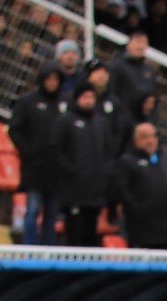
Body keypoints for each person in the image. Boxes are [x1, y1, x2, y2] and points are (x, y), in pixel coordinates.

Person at [12, 68, 70, 244]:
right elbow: (15, 129)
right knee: (32, 210)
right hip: (34, 168)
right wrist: (27, 151)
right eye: (49, 78)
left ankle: (49, 249)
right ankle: (30, 248)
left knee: (52, 213)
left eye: (55, 79)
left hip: (57, 169)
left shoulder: (65, 103)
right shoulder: (27, 102)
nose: (52, 83)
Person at [112, 121, 167, 251]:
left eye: (153, 136)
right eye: (145, 137)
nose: (150, 141)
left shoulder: (165, 158)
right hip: (144, 230)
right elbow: (123, 191)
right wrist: (138, 210)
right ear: (136, 140)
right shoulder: (128, 162)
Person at [55, 85, 115, 246]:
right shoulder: (66, 121)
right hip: (74, 190)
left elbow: (109, 150)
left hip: (95, 190)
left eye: (92, 97)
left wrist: (105, 172)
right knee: (74, 232)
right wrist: (70, 170)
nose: (89, 101)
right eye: (85, 97)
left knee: (91, 231)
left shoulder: (101, 123)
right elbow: (56, 149)